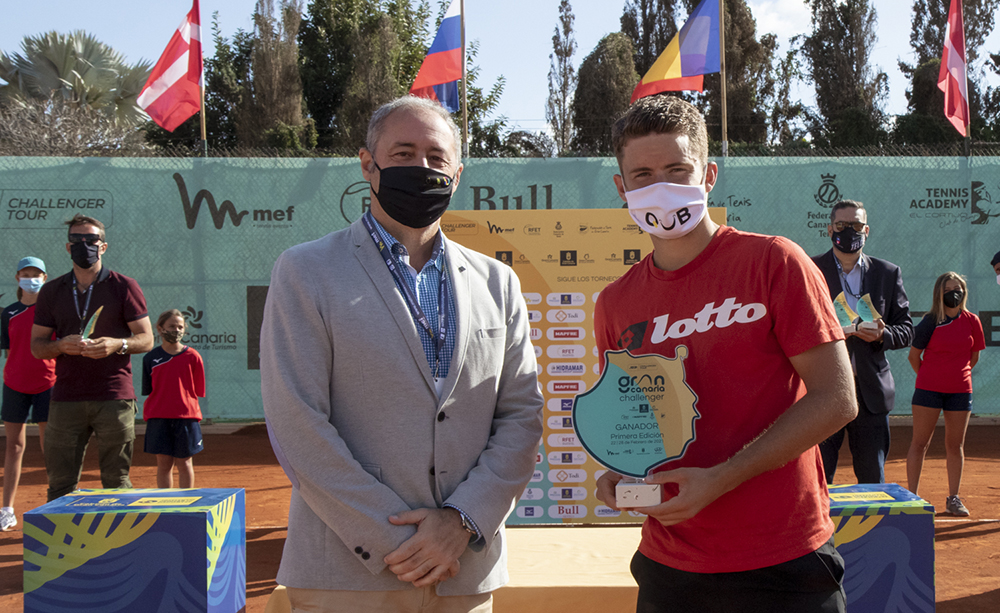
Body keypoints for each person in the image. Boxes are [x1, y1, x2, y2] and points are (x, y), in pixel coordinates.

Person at [260, 95, 543, 613]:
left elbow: (521, 416)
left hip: (464, 571)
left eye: (437, 158)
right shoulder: (305, 271)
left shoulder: (498, 283)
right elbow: (296, 423)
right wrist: (398, 541)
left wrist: (460, 524)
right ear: (368, 165)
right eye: (403, 152)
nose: (422, 168)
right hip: (347, 575)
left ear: (457, 174)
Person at [593, 95, 857, 612]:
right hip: (670, 567)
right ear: (622, 188)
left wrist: (720, 480)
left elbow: (837, 399)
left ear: (708, 174)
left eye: (677, 169)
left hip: (783, 561)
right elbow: (638, 423)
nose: (660, 187)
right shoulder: (615, 302)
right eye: (642, 174)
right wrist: (620, 474)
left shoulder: (774, 262)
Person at [31, 214, 153, 501]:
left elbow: (146, 338)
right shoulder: (52, 291)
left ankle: (120, 544)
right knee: (60, 484)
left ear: (103, 246)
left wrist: (116, 344)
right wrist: (60, 345)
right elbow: (37, 346)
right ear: (67, 247)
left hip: (114, 396)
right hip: (66, 398)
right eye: (76, 240)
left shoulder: (124, 286)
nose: (83, 245)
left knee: (116, 481)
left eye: (91, 240)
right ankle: (61, 545)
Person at [811, 200, 913, 484]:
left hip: (871, 394)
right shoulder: (809, 270)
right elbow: (792, 326)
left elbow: (906, 329)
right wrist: (829, 333)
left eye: (856, 226)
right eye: (842, 225)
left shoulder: (887, 273)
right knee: (817, 479)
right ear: (829, 230)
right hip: (822, 392)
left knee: (872, 480)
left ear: (866, 230)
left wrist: (883, 334)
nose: (849, 231)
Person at [906, 272, 984, 516]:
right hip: (928, 391)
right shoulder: (930, 322)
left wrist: (956, 376)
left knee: (955, 444)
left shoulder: (972, 321)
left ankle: (953, 499)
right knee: (920, 443)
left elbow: (974, 356)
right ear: (940, 293)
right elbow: (913, 357)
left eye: (958, 288)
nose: (954, 293)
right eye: (949, 289)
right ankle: (912, 498)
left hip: (960, 392)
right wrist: (931, 377)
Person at [1, 257, 56, 531]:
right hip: (14, 385)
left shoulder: (52, 313)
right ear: (17, 277)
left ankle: (54, 505)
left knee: (51, 446)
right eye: (26, 273)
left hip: (48, 383)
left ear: (44, 278)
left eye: (36, 274)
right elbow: (11, 352)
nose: (31, 278)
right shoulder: (8, 313)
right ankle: (7, 510)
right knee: (14, 446)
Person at [141, 309, 205, 489]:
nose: (176, 330)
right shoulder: (150, 358)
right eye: (171, 326)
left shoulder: (193, 356)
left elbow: (196, 389)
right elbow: (149, 389)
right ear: (160, 329)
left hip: (186, 418)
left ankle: (187, 505)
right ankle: (166, 504)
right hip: (158, 417)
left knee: (184, 464)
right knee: (164, 465)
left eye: (180, 327)